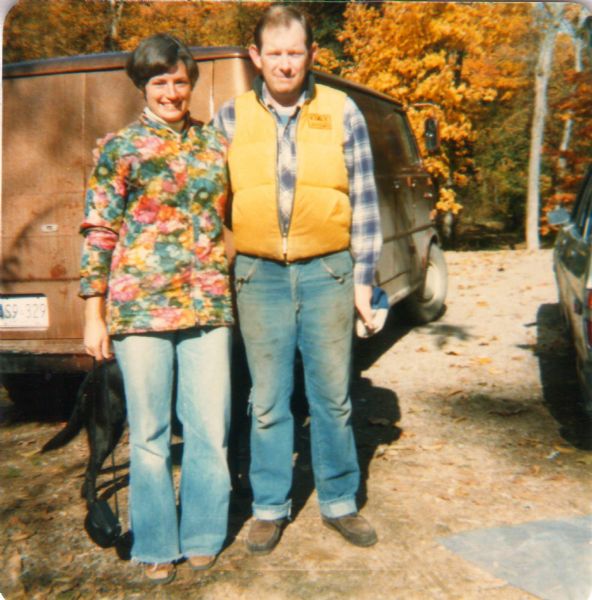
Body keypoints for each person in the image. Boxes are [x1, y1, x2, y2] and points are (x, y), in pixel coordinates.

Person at [214, 5, 382, 555]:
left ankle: (339, 500)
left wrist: (363, 281)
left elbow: (364, 201)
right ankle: (268, 506)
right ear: (255, 57)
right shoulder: (230, 118)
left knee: (332, 396)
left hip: (327, 271)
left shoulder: (342, 110)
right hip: (257, 275)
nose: (286, 64)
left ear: (311, 55)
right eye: (275, 54)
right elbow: (208, 202)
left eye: (295, 53)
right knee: (267, 399)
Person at [80, 34, 233, 584]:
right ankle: (154, 541)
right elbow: (100, 230)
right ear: (143, 87)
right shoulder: (118, 148)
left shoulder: (215, 145)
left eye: (179, 81)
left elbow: (230, 219)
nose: (171, 91)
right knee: (148, 433)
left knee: (209, 427)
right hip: (139, 310)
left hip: (208, 307)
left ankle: (202, 533)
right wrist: (92, 312)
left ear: (192, 84)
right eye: (159, 82)